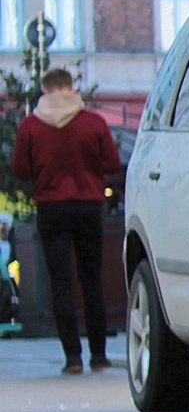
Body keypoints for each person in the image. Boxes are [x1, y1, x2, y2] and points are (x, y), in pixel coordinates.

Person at [11, 68, 123, 373]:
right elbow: (112, 162)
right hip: (88, 206)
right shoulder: (93, 122)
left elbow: (20, 169)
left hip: (52, 209)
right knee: (92, 279)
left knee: (59, 282)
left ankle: (72, 358)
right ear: (71, 88)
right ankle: (98, 355)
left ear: (45, 91)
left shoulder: (31, 126)